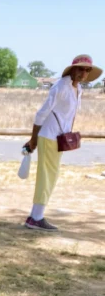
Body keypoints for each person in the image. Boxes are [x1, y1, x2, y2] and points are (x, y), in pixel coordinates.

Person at [23, 53, 102, 230]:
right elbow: (41, 114)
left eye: (87, 70)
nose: (84, 73)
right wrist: (33, 139)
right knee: (47, 176)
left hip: (58, 138)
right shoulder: (60, 87)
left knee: (52, 176)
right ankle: (36, 217)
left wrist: (68, 135)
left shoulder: (78, 89)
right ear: (73, 69)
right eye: (81, 69)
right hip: (48, 135)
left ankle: (36, 216)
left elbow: (70, 115)